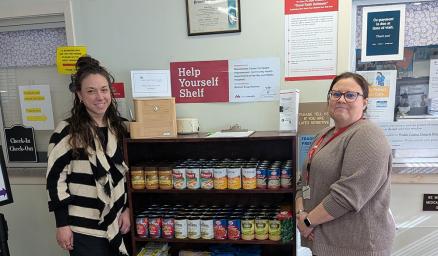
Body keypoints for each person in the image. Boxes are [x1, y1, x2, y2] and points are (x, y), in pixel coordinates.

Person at [296, 72, 395, 256]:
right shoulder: (324, 134)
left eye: (350, 95)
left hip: (356, 247)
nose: (341, 99)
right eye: (336, 94)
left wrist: (308, 222)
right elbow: (304, 180)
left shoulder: (368, 136)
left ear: (364, 102)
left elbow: (347, 196)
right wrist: (301, 213)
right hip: (325, 241)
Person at [46, 56, 130, 256]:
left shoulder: (121, 128)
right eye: (91, 91)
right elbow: (54, 180)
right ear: (80, 95)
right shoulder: (66, 132)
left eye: (104, 89)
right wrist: (62, 225)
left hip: (119, 222)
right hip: (83, 229)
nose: (99, 97)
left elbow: (128, 175)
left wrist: (128, 209)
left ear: (110, 92)